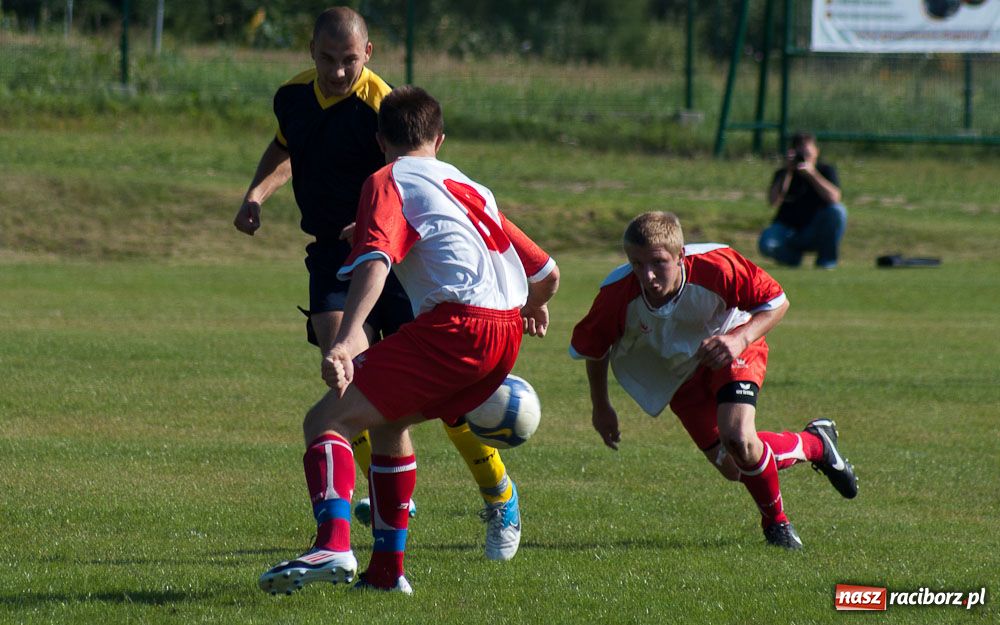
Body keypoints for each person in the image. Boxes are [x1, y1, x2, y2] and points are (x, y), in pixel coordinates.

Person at [233, 7, 524, 557]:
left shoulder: (383, 105)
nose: (338, 72)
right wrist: (256, 194)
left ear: (368, 55)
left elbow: (424, 180)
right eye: (327, 59)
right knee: (348, 376)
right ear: (310, 51)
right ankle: (389, 496)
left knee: (437, 399)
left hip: (398, 264)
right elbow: (285, 147)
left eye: (349, 61)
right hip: (331, 256)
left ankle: (498, 494)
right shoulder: (292, 97)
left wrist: (379, 232)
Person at [258, 85, 560, 595]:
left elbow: (376, 261)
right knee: (390, 422)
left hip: (457, 325)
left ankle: (333, 542)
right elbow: (548, 272)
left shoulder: (386, 178)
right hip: (505, 330)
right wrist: (531, 306)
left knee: (325, 420)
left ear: (379, 140)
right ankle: (385, 574)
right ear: (439, 139)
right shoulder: (470, 186)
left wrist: (348, 337)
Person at [570, 211, 856, 550]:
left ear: (680, 256)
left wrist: (740, 339)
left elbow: (777, 302)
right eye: (636, 263)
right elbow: (594, 348)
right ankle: (815, 444)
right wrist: (601, 406)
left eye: (658, 262)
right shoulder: (617, 294)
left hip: (731, 347)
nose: (647, 275)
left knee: (738, 437)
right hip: (677, 375)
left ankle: (777, 524)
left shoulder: (718, 266)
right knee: (736, 467)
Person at [758, 132, 847, 269]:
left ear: (816, 151)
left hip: (815, 229)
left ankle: (826, 262)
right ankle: (792, 259)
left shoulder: (826, 170)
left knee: (838, 211)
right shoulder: (784, 173)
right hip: (787, 229)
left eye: (807, 153)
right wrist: (788, 172)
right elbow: (773, 201)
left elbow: (834, 198)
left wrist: (812, 174)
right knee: (767, 243)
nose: (803, 158)